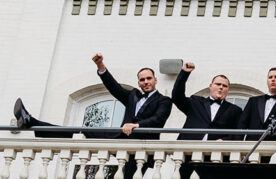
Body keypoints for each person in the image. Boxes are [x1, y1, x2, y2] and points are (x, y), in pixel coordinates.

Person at [13, 53, 171, 139]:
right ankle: (31, 121)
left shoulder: (164, 101)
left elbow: (158, 119)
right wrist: (100, 66)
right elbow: (114, 87)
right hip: (119, 137)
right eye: (142, 79)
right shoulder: (133, 95)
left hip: (141, 144)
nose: (145, 82)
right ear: (138, 82)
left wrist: (136, 125)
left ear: (155, 80)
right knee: (79, 131)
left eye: (149, 78)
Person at [172, 63, 243, 141]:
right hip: (189, 148)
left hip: (216, 150)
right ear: (210, 86)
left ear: (228, 90)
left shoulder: (235, 110)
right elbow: (177, 96)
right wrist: (184, 73)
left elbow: (238, 134)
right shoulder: (195, 102)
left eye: (224, 86)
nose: (221, 87)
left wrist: (224, 140)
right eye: (218, 84)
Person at [239, 68, 276, 141]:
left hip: (273, 147)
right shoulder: (253, 101)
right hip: (251, 145)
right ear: (267, 81)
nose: (273, 79)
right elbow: (242, 124)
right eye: (270, 77)